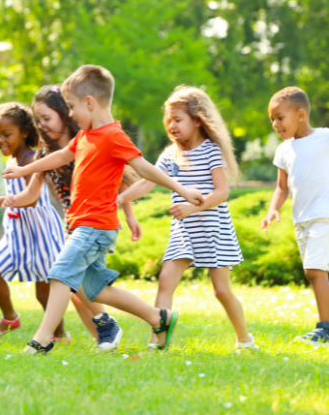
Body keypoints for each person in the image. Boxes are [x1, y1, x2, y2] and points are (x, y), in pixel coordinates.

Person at [3, 65, 204, 354]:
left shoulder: (113, 136)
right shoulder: (86, 136)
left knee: (60, 273)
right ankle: (158, 318)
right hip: (82, 224)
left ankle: (42, 339)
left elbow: (145, 168)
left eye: (71, 107)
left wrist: (183, 190)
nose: (70, 114)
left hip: (96, 226)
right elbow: (60, 156)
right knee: (95, 291)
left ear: (89, 102)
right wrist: (27, 169)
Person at [2, 85, 142, 349]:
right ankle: (116, 330)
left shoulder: (89, 140)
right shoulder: (46, 153)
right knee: (83, 288)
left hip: (96, 221)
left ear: (64, 114)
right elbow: (31, 194)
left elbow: (119, 181)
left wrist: (130, 215)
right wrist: (3, 200)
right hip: (74, 222)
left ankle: (50, 340)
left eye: (46, 118)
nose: (41, 126)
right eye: (38, 120)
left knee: (68, 280)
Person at [119, 86, 257, 352]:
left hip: (213, 229)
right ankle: (156, 341)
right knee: (166, 280)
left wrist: (192, 208)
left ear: (197, 120)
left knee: (221, 290)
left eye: (178, 120)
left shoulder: (210, 150)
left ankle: (244, 339)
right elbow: (145, 184)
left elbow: (221, 192)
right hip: (184, 231)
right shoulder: (170, 155)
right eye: (169, 120)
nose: (172, 125)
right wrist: (118, 200)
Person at [0, 102, 67, 341]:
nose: (0, 139)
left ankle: (59, 334)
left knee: (43, 292)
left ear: (24, 132)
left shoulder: (30, 159)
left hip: (41, 231)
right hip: (17, 232)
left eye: (7, 134)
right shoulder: (11, 162)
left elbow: (31, 198)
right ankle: (9, 318)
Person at [261, 87, 329, 346]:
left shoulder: (324, 138)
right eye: (272, 120)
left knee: (314, 271)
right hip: (301, 219)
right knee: (320, 271)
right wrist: (273, 209)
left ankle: (325, 328)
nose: (275, 124)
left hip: (324, 216)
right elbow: (282, 187)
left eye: (280, 117)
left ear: (301, 114)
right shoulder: (284, 150)